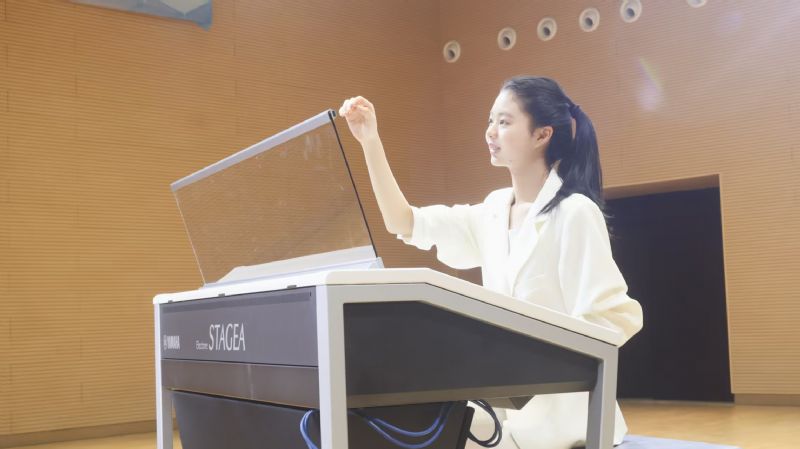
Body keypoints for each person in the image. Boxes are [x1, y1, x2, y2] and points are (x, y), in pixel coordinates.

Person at [338, 76, 643, 449]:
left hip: (566, 422)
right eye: (490, 121)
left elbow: (612, 317)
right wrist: (370, 141)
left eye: (504, 121)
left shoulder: (575, 212)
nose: (490, 132)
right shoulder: (493, 209)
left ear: (541, 134)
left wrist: (541, 364)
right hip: (502, 411)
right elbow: (403, 221)